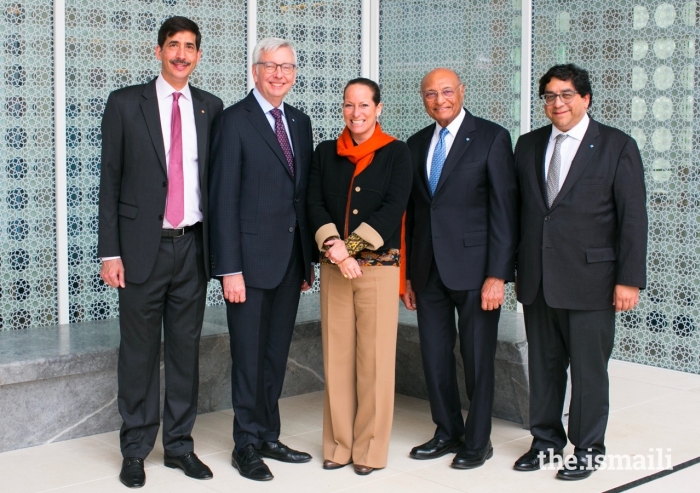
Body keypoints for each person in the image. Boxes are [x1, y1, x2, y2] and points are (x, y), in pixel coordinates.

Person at [97, 16, 223, 488]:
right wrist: (110, 252)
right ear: (158, 51)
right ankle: (135, 450)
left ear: (198, 55)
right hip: (139, 251)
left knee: (186, 352)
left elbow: (213, 183)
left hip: (191, 248)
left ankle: (179, 447)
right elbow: (110, 180)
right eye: (174, 45)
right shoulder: (126, 103)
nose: (181, 54)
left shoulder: (212, 108)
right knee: (139, 353)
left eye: (190, 47)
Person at [512, 64, 647, 480]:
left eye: (566, 94)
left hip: (593, 280)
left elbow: (633, 218)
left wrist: (629, 279)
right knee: (545, 367)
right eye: (550, 96)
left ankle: (588, 447)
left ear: (585, 98)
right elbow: (521, 213)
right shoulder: (528, 145)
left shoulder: (616, 145)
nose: (558, 103)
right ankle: (546, 441)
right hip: (538, 279)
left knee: (589, 371)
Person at [208, 37, 315, 482]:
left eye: (286, 67)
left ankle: (269, 433)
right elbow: (222, 200)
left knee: (274, 354)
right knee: (248, 356)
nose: (278, 74)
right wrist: (229, 268)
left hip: (290, 262)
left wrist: (306, 261)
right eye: (269, 66)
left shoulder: (300, 121)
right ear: (254, 71)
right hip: (247, 267)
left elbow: (301, 196)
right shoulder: (234, 121)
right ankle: (246, 444)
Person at [402, 68, 518, 469]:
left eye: (447, 91)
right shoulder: (416, 144)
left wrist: (498, 275)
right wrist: (411, 277)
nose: (439, 100)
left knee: (476, 358)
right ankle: (447, 431)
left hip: (476, 272)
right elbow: (416, 215)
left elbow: (505, 212)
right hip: (429, 271)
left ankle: (478, 440)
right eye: (431, 94)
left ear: (462, 92)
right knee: (434, 357)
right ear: (424, 99)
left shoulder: (492, 137)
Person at [307, 78, 412, 476]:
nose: (356, 113)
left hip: (379, 270)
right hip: (335, 269)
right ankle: (338, 444)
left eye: (364, 105)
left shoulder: (397, 153)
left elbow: (392, 208)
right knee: (337, 359)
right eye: (349, 105)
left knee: (375, 361)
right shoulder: (325, 153)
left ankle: (368, 450)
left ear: (378, 108)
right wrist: (336, 249)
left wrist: (350, 250)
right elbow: (313, 202)